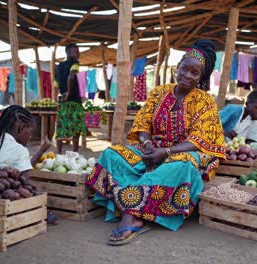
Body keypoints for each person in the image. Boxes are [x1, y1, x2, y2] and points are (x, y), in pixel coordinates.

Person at [86, 39, 225, 245]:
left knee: (183, 165)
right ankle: (135, 205)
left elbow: (199, 140)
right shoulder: (159, 92)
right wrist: (148, 144)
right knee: (111, 154)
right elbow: (143, 123)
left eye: (194, 73)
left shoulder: (205, 102)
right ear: (177, 67)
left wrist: (166, 152)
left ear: (201, 77)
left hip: (185, 154)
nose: (187, 75)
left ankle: (131, 213)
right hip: (154, 150)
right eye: (184, 69)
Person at [0, 105, 51, 184]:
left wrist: (41, 151)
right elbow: (24, 181)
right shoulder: (19, 150)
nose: (29, 138)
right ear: (22, 128)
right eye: (30, 134)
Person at [55, 43, 85, 154]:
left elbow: (56, 82)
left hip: (63, 102)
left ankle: (59, 153)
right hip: (74, 101)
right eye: (76, 51)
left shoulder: (59, 66)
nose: (78, 54)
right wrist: (68, 92)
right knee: (76, 129)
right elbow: (71, 77)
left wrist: (62, 93)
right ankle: (75, 154)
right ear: (69, 52)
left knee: (61, 128)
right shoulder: (75, 63)